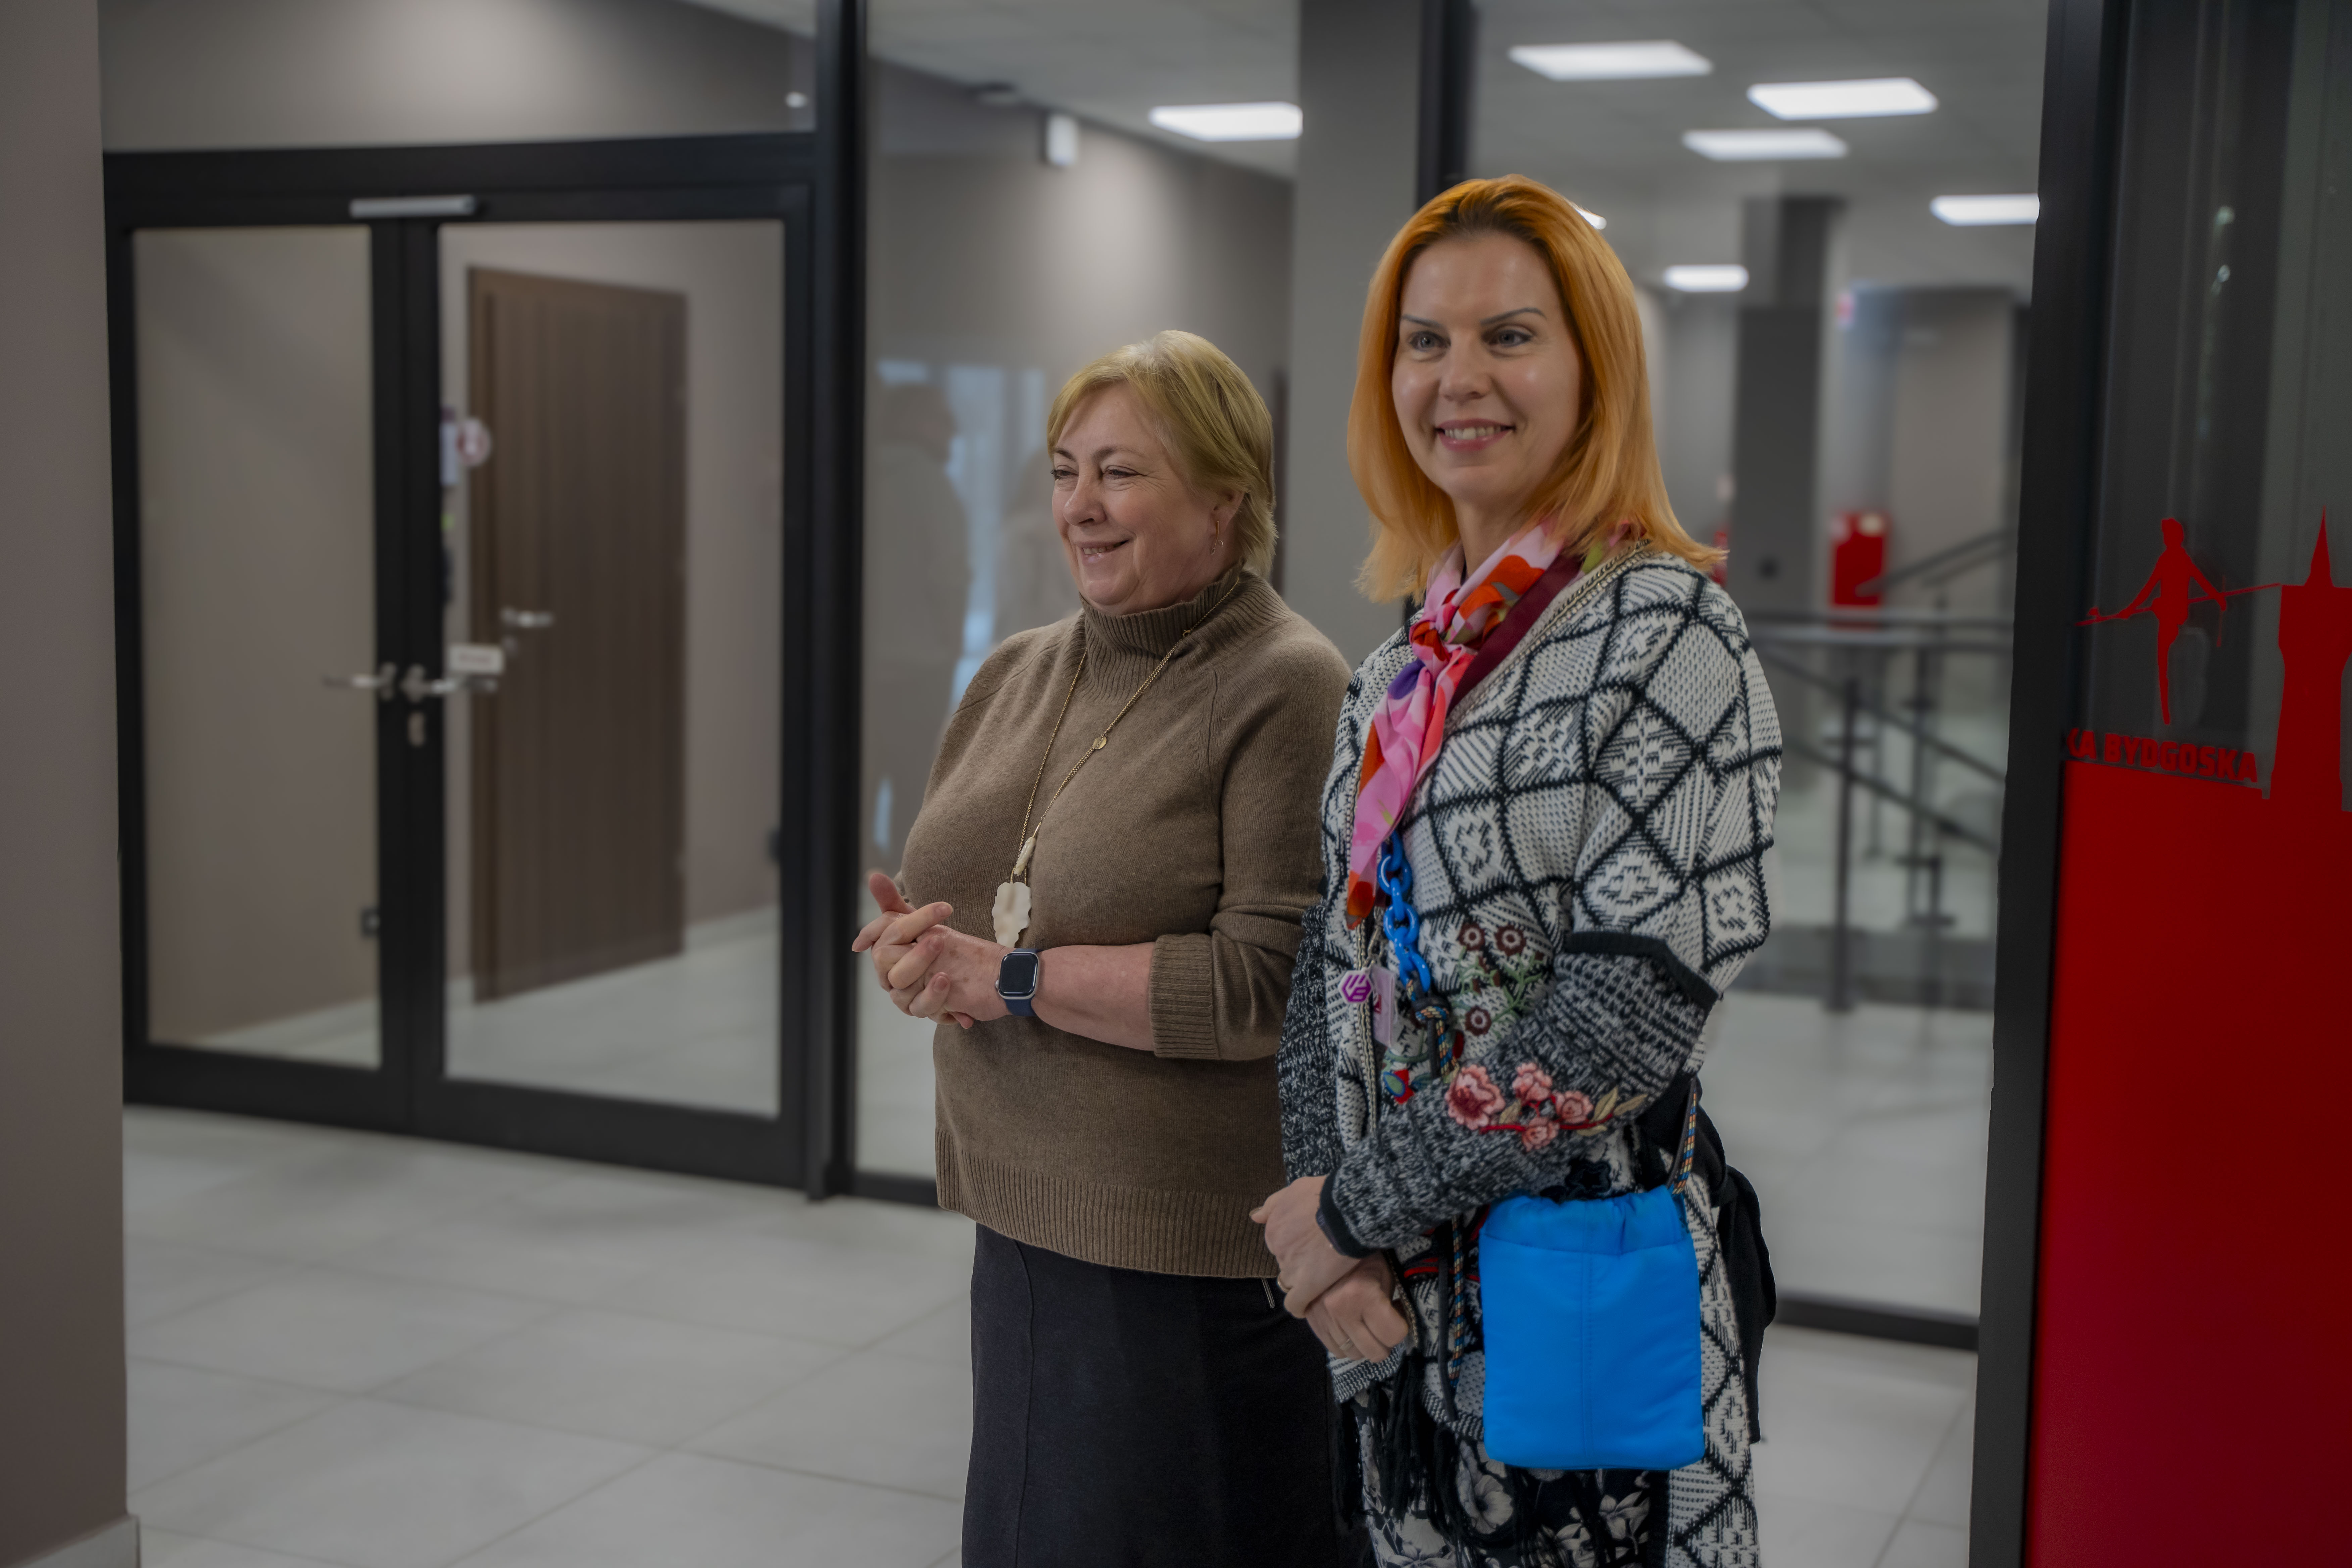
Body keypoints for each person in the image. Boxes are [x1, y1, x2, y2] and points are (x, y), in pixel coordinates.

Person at [1255, 176, 1783, 1567]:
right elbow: (1332, 953)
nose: (1459, 379)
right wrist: (1327, 1219)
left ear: (1593, 370)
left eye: (1510, 336)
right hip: (1397, 1309)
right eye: (1424, 342)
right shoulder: (1403, 669)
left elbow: (1622, 1020)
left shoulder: (1669, 634)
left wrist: (1353, 1210)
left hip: (1577, 1285)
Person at [852, 330, 1358, 1568]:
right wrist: (923, 958)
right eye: (1065, 470)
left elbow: (1267, 985)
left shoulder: (1288, 683)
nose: (1080, 505)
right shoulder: (1018, 670)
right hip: (1020, 1220)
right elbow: (962, 908)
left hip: (1180, 1256)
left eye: (1122, 472)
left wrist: (1010, 980)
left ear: (1226, 496)